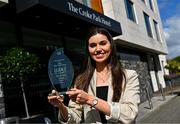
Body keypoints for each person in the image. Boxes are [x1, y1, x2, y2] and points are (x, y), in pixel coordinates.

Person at [48, 27, 140, 123]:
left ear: (111, 46)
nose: (98, 49)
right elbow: (74, 118)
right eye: (93, 45)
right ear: (88, 50)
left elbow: (130, 114)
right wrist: (61, 106)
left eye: (103, 43)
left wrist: (90, 99)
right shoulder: (81, 79)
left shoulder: (128, 76)